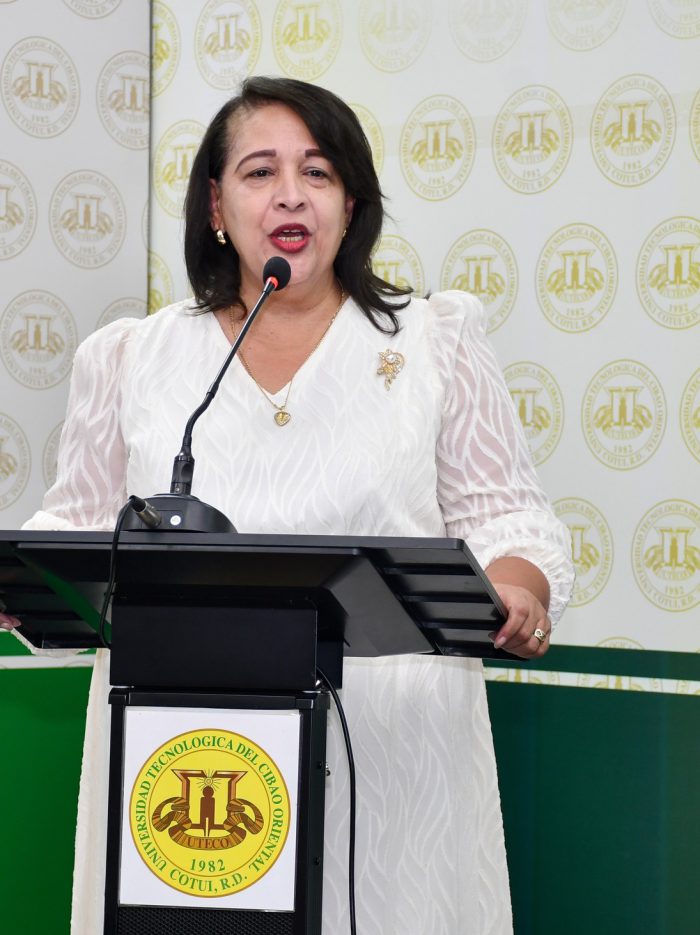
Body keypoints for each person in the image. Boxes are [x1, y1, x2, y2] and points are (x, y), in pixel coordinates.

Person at [1, 76, 574, 934]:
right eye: (260, 171)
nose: (291, 194)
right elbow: (78, 524)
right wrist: (23, 577)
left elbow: (508, 517)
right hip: (188, 753)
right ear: (216, 205)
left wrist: (520, 586)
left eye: (317, 170)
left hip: (389, 746)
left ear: (351, 203)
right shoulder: (132, 357)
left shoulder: (434, 342)